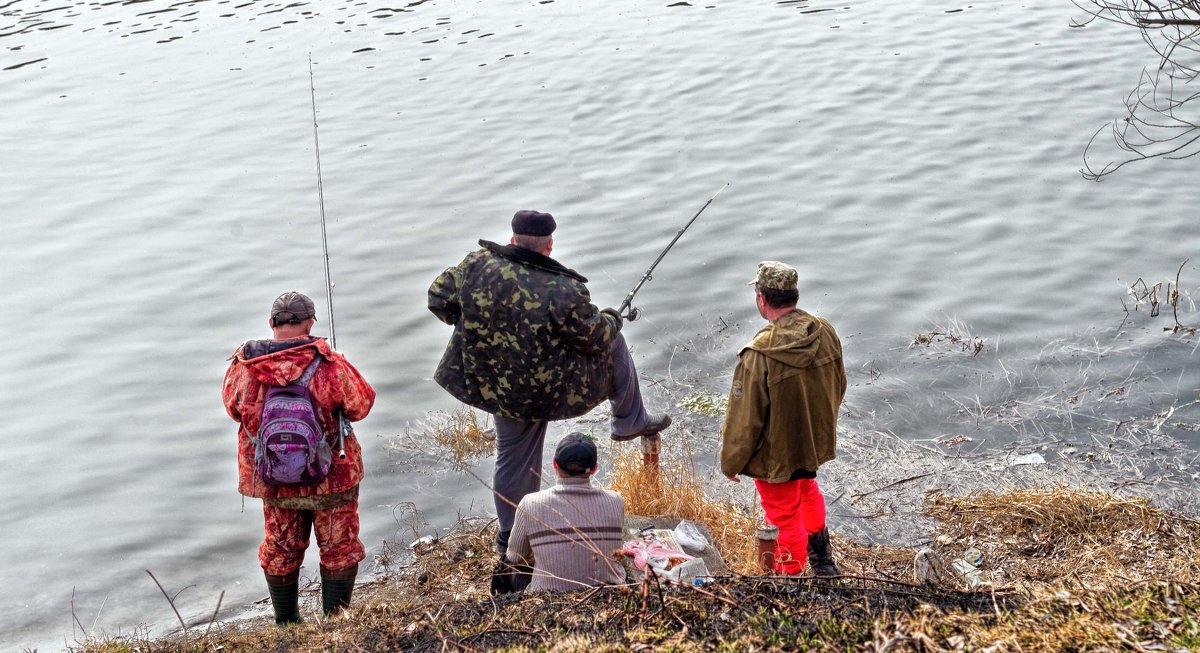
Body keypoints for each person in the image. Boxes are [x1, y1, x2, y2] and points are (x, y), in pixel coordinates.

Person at [428, 210, 670, 556]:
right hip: (545, 389)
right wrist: (613, 319)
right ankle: (629, 418)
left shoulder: (476, 265)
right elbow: (595, 338)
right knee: (614, 339)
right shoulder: (564, 289)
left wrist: (476, 327)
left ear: (513, 239)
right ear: (549, 246)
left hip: (493, 382)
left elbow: (437, 297)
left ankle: (512, 540)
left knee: (512, 456)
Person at [222, 291, 376, 624]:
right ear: (309, 323)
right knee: (339, 548)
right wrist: (340, 364)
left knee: (281, 549)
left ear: (271, 324)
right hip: (330, 477)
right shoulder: (330, 363)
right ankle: (335, 623)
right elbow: (361, 406)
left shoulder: (245, 366)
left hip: (273, 478)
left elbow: (233, 409)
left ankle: (287, 625)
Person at [720, 262, 846, 577]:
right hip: (813, 440)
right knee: (806, 488)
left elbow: (744, 421)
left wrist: (731, 463)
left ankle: (790, 579)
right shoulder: (823, 330)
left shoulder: (758, 355)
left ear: (762, 299)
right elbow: (839, 382)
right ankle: (823, 561)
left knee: (783, 516)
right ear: (794, 295)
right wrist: (820, 425)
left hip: (777, 454)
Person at [499, 432, 626, 592]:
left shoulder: (530, 503)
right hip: (608, 592)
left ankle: (502, 608)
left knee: (504, 561)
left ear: (554, 464)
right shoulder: (616, 500)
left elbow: (515, 557)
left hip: (549, 598)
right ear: (593, 469)